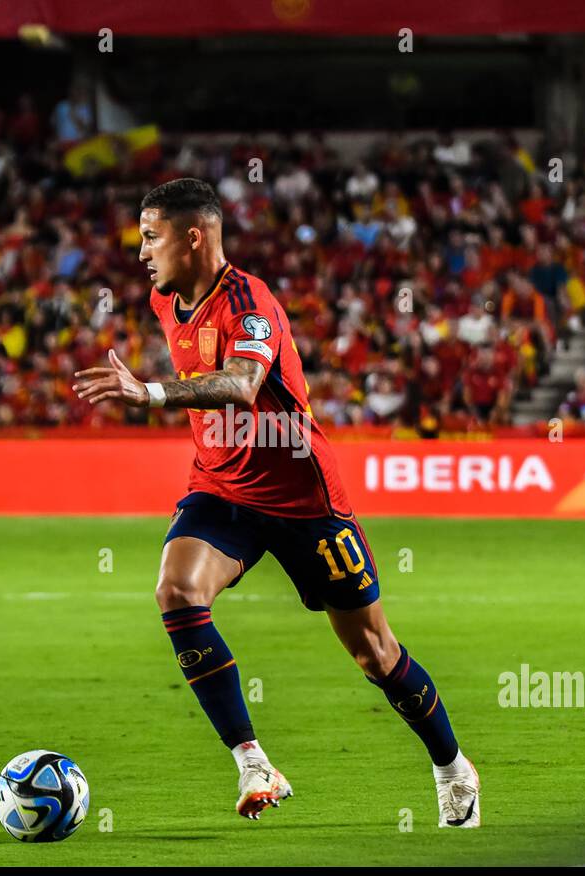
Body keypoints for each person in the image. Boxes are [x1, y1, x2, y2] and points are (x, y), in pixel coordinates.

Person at [74, 178, 481, 827]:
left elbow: (240, 384)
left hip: (303, 499)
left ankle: (453, 767)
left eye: (151, 236)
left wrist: (149, 393)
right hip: (221, 488)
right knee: (176, 591)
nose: (142, 252)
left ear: (193, 236)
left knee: (374, 652)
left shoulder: (250, 301)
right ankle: (253, 762)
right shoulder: (163, 299)